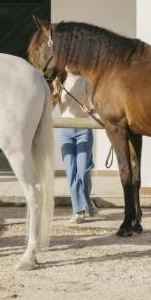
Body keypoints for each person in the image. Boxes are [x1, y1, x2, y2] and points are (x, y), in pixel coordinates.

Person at [56, 73, 100, 223]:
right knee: (71, 172)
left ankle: (87, 200)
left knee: (83, 171)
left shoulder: (85, 79)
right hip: (65, 130)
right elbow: (48, 106)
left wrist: (91, 110)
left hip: (83, 129)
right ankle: (79, 211)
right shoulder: (59, 79)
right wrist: (53, 94)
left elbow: (97, 102)